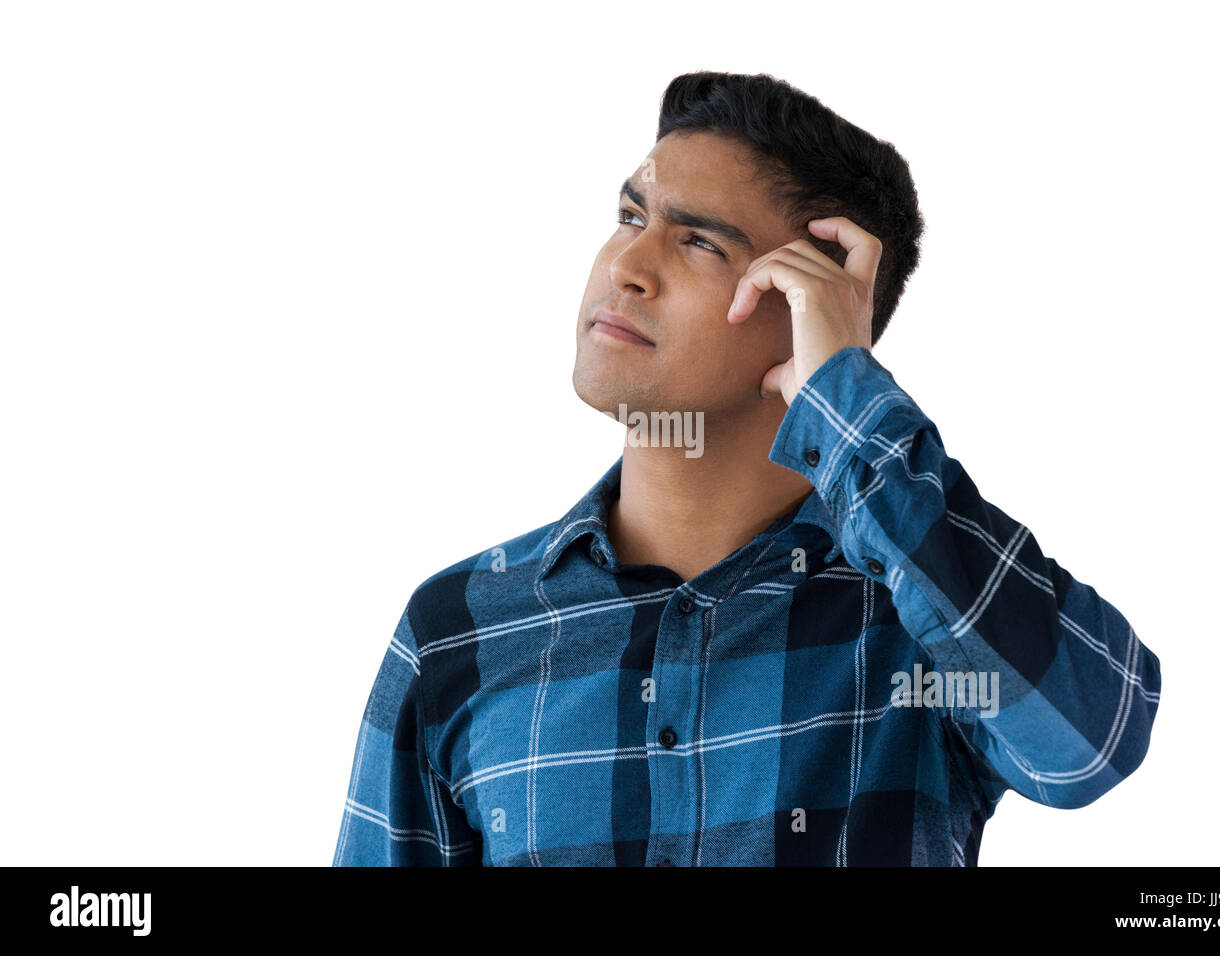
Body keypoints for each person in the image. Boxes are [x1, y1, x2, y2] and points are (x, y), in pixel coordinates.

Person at [332, 70, 1161, 867]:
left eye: (698, 241)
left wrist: (847, 398)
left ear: (810, 307)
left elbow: (1091, 740)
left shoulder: (921, 618)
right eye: (630, 216)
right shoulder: (462, 630)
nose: (626, 265)